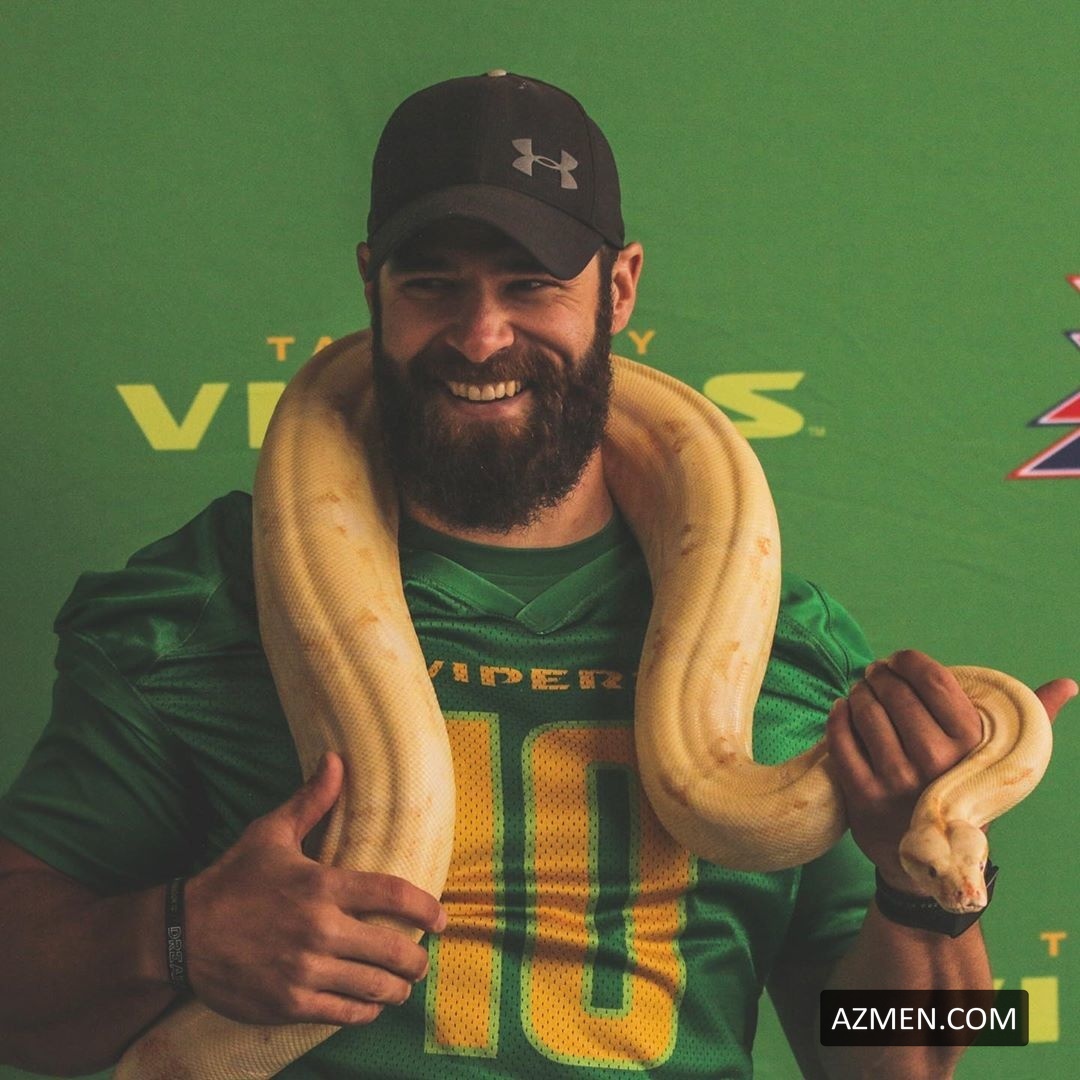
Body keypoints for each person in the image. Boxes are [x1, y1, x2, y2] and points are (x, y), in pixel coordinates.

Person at [0, 71, 1072, 1080]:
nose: (480, 336)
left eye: (532, 286)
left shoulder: (788, 646)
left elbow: (905, 1056)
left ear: (620, 287)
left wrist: (922, 894)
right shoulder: (206, 604)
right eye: (433, 285)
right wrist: (174, 934)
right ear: (372, 284)